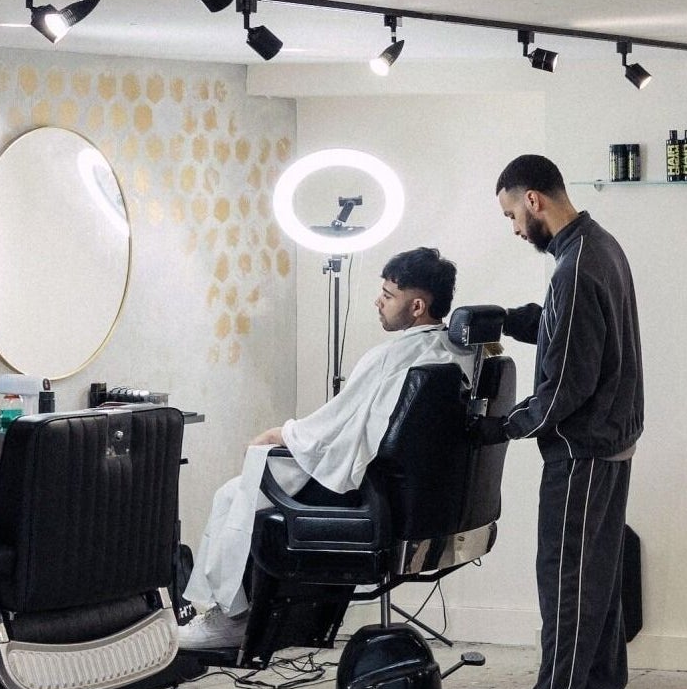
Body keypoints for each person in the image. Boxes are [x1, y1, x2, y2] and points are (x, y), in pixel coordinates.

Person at [179, 247, 471, 651]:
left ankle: (227, 618)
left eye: (388, 295)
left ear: (417, 306)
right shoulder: (456, 357)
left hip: (368, 495)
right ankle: (240, 616)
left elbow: (333, 426)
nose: (378, 301)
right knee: (246, 491)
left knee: (234, 493)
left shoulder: (392, 358)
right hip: (417, 502)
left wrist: (281, 433)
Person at [470, 155, 643, 689]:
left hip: (580, 451)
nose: (514, 228)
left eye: (512, 214)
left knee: (566, 583)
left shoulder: (574, 267)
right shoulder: (600, 247)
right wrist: (512, 321)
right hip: (609, 447)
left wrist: (495, 429)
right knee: (595, 577)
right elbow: (574, 333)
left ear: (535, 200)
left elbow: (566, 383)